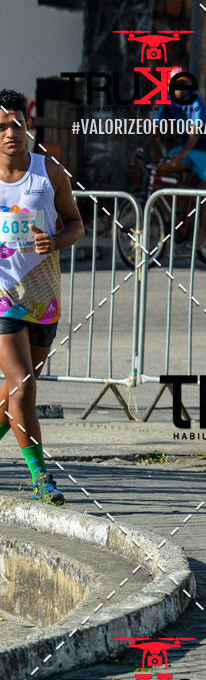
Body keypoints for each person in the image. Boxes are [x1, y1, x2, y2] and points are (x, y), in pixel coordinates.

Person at [0, 89, 84, 504]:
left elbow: (76, 225)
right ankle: (41, 479)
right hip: (3, 296)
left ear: (28, 126)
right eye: (1, 126)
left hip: (43, 297)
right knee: (22, 384)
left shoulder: (49, 171)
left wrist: (54, 241)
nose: (10, 132)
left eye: (17, 123)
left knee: (16, 390)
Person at [139, 67, 206, 184]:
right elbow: (158, 128)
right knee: (161, 169)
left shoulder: (195, 100)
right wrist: (142, 149)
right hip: (187, 150)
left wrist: (183, 153)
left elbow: (195, 130)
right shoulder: (168, 101)